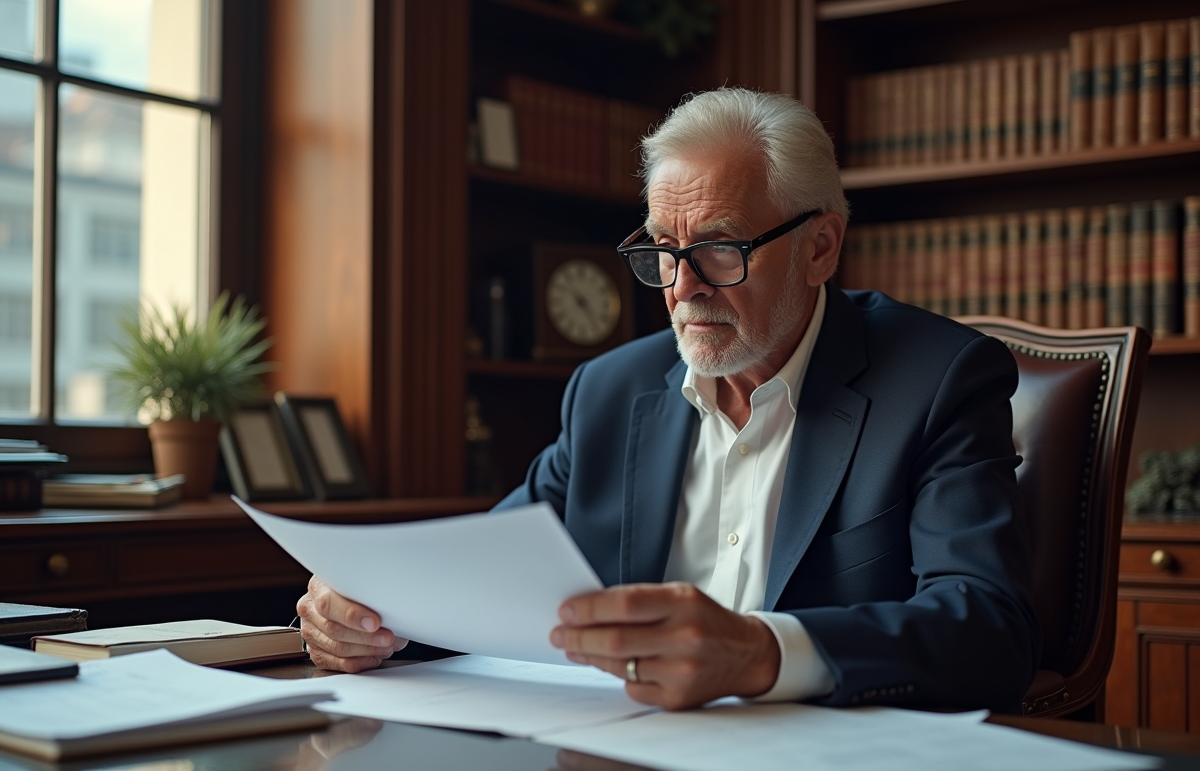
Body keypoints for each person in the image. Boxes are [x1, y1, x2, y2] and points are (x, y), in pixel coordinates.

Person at [296, 88, 1040, 714]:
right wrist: (371, 615)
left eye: (720, 248)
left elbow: (987, 628)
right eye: (660, 250)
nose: (682, 289)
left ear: (820, 248)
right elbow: (491, 579)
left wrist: (760, 653)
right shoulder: (609, 392)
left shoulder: (940, 379)